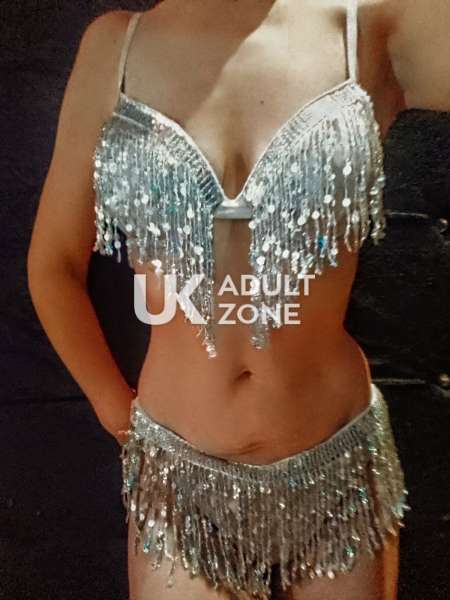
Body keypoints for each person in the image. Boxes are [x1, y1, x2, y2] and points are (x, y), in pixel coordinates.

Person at [27, 1, 408, 598]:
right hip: (181, 480)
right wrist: (113, 410)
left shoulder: (363, 26)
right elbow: (53, 265)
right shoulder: (114, 48)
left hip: (337, 465)